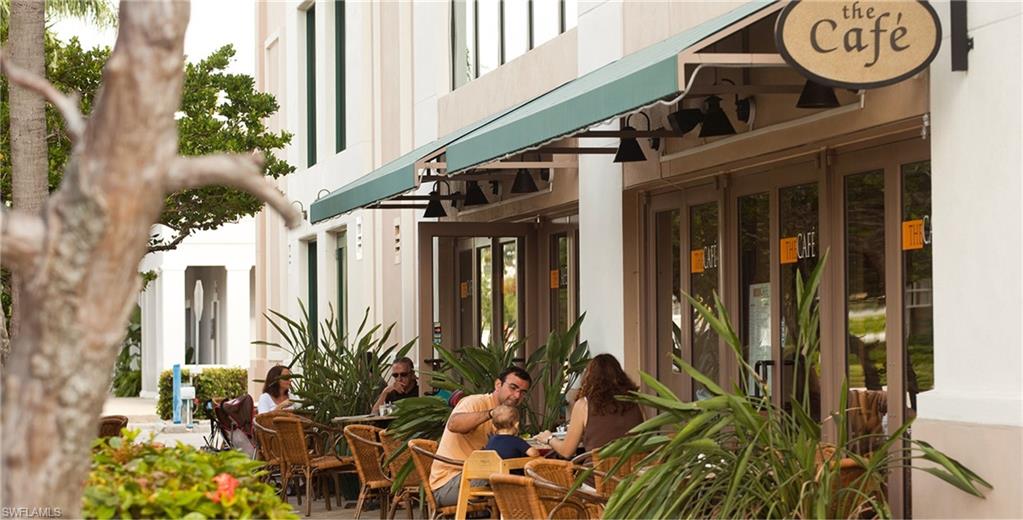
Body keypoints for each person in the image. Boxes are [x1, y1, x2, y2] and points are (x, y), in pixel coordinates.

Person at [429, 366, 533, 507]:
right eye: (513, 388)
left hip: (478, 477)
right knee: (515, 483)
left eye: (522, 392)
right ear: (498, 384)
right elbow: (454, 424)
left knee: (529, 479)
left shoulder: (508, 417)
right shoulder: (475, 402)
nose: (517, 396)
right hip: (449, 484)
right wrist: (491, 413)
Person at [535, 354, 644, 458]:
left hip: (597, 475)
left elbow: (566, 451)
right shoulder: (635, 402)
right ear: (621, 376)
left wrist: (549, 438)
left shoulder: (584, 404)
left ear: (589, 377)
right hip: (633, 474)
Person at [484, 405, 540, 475]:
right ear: (516, 424)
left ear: (493, 426)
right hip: (514, 479)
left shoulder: (491, 441)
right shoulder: (516, 441)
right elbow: (533, 453)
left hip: (493, 478)